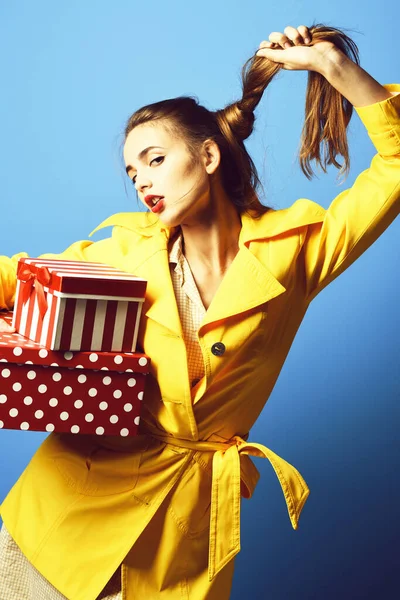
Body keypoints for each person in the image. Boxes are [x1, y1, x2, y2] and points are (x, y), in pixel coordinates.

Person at [0, 22, 399, 600]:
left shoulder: (296, 252)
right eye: (133, 172)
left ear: (208, 155)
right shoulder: (124, 252)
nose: (142, 182)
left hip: (181, 541)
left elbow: (393, 167)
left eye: (155, 159)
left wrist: (336, 69)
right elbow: (16, 277)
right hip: (67, 517)